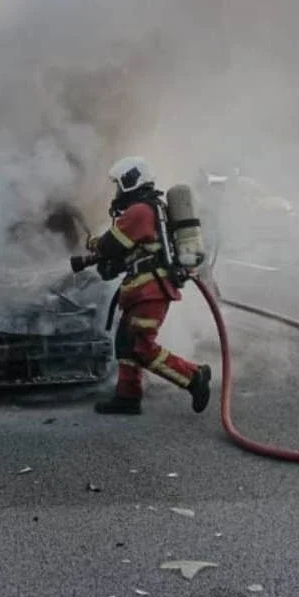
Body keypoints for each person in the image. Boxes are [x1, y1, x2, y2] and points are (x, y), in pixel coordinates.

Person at [85, 156, 212, 416]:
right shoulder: (149, 209)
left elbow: (111, 243)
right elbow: (131, 252)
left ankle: (193, 376)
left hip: (149, 291)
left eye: (120, 185)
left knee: (141, 346)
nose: (118, 191)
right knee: (125, 343)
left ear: (131, 180)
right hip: (143, 290)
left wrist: (93, 244)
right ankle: (127, 397)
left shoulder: (140, 211)